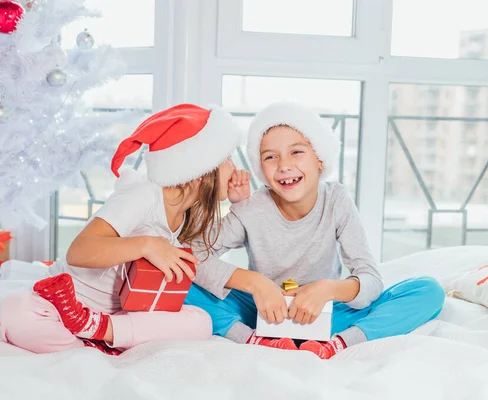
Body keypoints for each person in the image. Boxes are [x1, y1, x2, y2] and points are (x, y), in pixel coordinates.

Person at [185, 101, 446, 359]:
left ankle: (335, 345)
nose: (284, 165)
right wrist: (257, 284)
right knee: (178, 279)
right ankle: (255, 340)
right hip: (263, 313)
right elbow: (192, 256)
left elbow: (370, 279)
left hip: (327, 313)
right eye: (270, 157)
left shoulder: (336, 200)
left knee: (428, 290)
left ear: (320, 160)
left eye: (296, 152)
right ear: (261, 169)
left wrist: (327, 290)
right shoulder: (251, 208)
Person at [0, 104, 250, 355]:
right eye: (226, 158)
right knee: (17, 312)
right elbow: (79, 251)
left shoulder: (186, 214)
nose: (233, 167)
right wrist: (146, 244)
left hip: (112, 315)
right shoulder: (142, 196)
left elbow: (209, 253)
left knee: (201, 322)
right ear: (201, 172)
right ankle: (92, 338)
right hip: (63, 305)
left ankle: (98, 331)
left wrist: (240, 204)